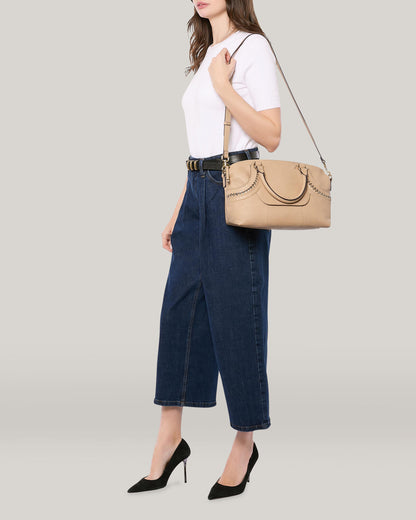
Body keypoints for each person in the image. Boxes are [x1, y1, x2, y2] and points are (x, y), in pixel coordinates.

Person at [127, 0, 281, 499]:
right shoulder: (208, 51)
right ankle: (170, 437)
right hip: (197, 191)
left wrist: (223, 88)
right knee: (179, 315)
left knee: (237, 317)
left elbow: (270, 135)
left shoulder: (252, 47)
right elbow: (202, 142)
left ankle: (245, 440)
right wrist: (180, 207)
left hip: (236, 190)